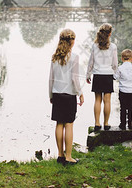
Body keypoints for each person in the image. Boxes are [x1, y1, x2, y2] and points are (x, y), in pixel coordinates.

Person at [49, 29, 84, 165]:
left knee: (59, 124)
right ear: (72, 41)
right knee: (69, 124)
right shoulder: (74, 57)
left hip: (57, 94)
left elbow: (50, 79)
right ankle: (68, 157)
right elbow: (75, 79)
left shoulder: (54, 57)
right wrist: (80, 93)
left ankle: (60, 155)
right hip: (69, 95)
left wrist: (50, 94)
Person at [86, 23, 118, 131]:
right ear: (110, 34)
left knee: (97, 100)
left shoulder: (95, 45)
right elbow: (115, 63)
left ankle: (97, 123)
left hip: (98, 74)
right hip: (108, 74)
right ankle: (106, 123)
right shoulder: (113, 47)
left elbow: (91, 61)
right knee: (107, 101)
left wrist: (88, 74)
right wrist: (116, 73)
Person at [114, 49, 132, 130]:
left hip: (122, 91)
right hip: (131, 91)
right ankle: (130, 124)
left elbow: (115, 77)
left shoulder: (120, 68)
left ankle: (122, 124)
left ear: (122, 58)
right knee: (131, 108)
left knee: (123, 108)